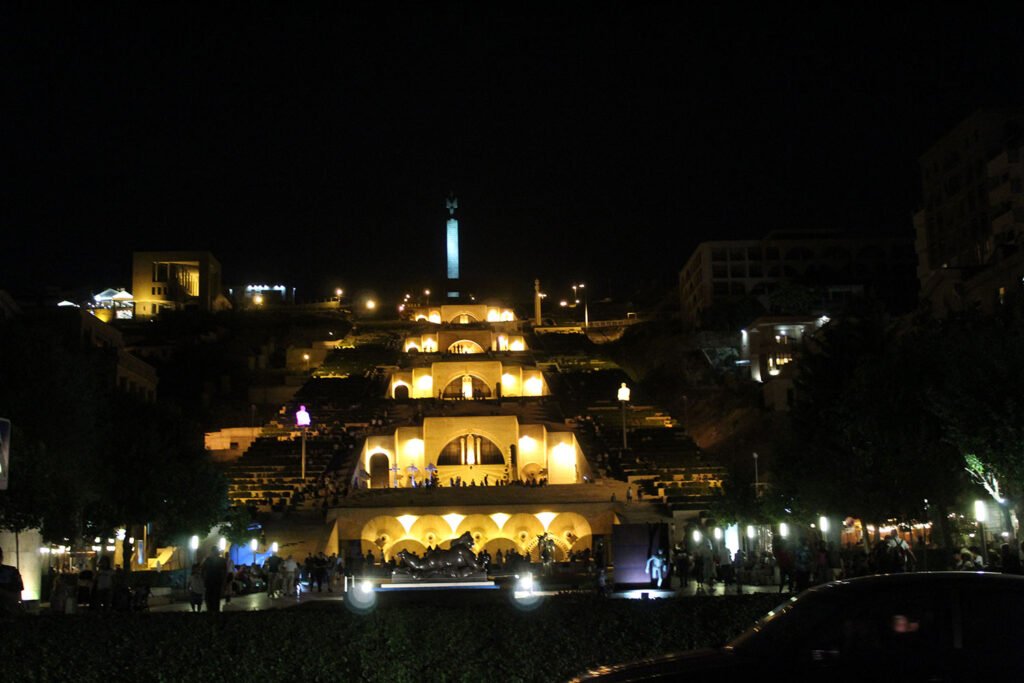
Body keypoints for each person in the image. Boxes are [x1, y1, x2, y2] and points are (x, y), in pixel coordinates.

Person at [201, 547, 228, 613]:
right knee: (216, 599)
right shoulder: (221, 560)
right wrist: (224, 582)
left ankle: (211, 612)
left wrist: (204, 580)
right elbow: (224, 572)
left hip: (210, 581)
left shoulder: (208, 560)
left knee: (209, 599)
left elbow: (202, 570)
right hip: (217, 581)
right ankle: (215, 613)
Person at [0, 547, 24, 615]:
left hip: (8, 613)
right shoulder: (11, 571)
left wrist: (2, 592)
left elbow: (17, 596)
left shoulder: (11, 572)